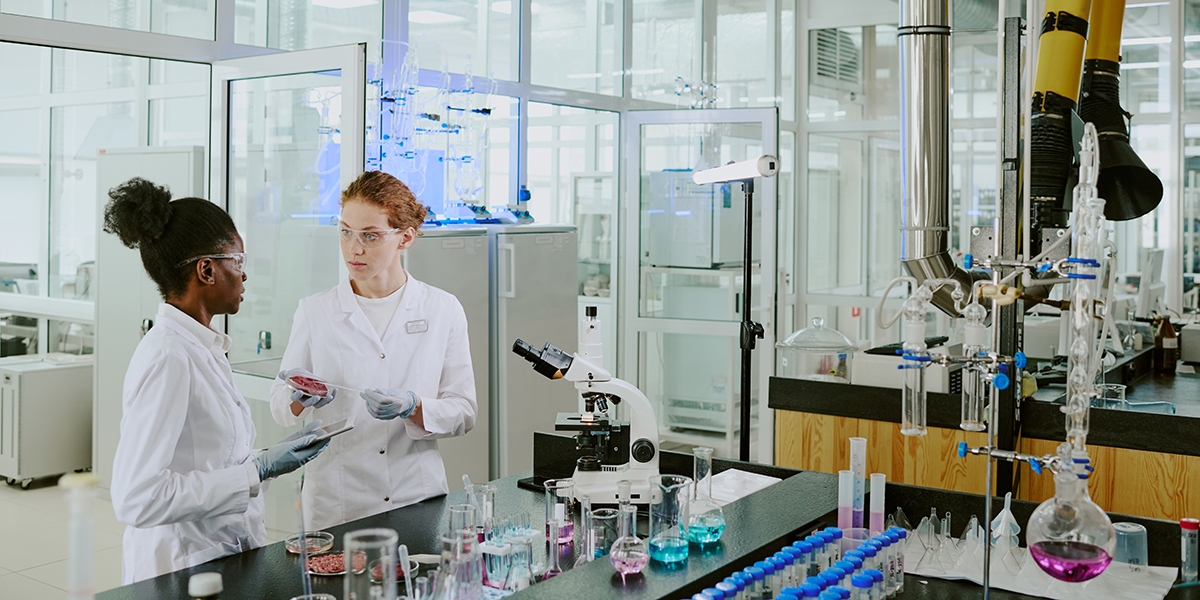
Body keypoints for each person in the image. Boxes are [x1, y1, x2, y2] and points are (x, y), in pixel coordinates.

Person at [104, 178, 331, 584]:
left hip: (219, 556)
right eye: (238, 261)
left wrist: (267, 458)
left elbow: (203, 453)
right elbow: (137, 498)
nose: (245, 276)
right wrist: (256, 471)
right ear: (206, 270)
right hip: (181, 566)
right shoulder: (169, 357)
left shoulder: (201, 345)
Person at [270, 170, 476, 530]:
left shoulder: (442, 309)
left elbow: (464, 412)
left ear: (406, 238)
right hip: (338, 503)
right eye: (346, 232)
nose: (354, 248)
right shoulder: (315, 311)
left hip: (416, 495)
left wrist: (415, 407)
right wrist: (299, 397)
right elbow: (280, 407)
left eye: (370, 235)